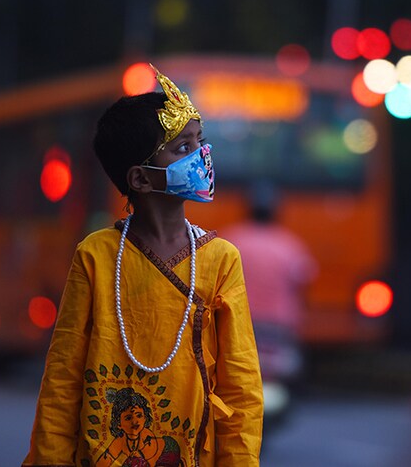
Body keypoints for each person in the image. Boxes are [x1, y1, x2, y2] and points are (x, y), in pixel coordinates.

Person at [23, 65, 263, 467]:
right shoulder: (96, 256)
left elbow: (242, 388)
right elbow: (62, 379)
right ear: (141, 178)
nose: (201, 156)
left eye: (199, 142)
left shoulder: (221, 260)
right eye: (182, 148)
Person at [222, 181, 317, 419]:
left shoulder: (231, 240)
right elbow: (303, 282)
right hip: (279, 328)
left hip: (238, 325)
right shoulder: (289, 245)